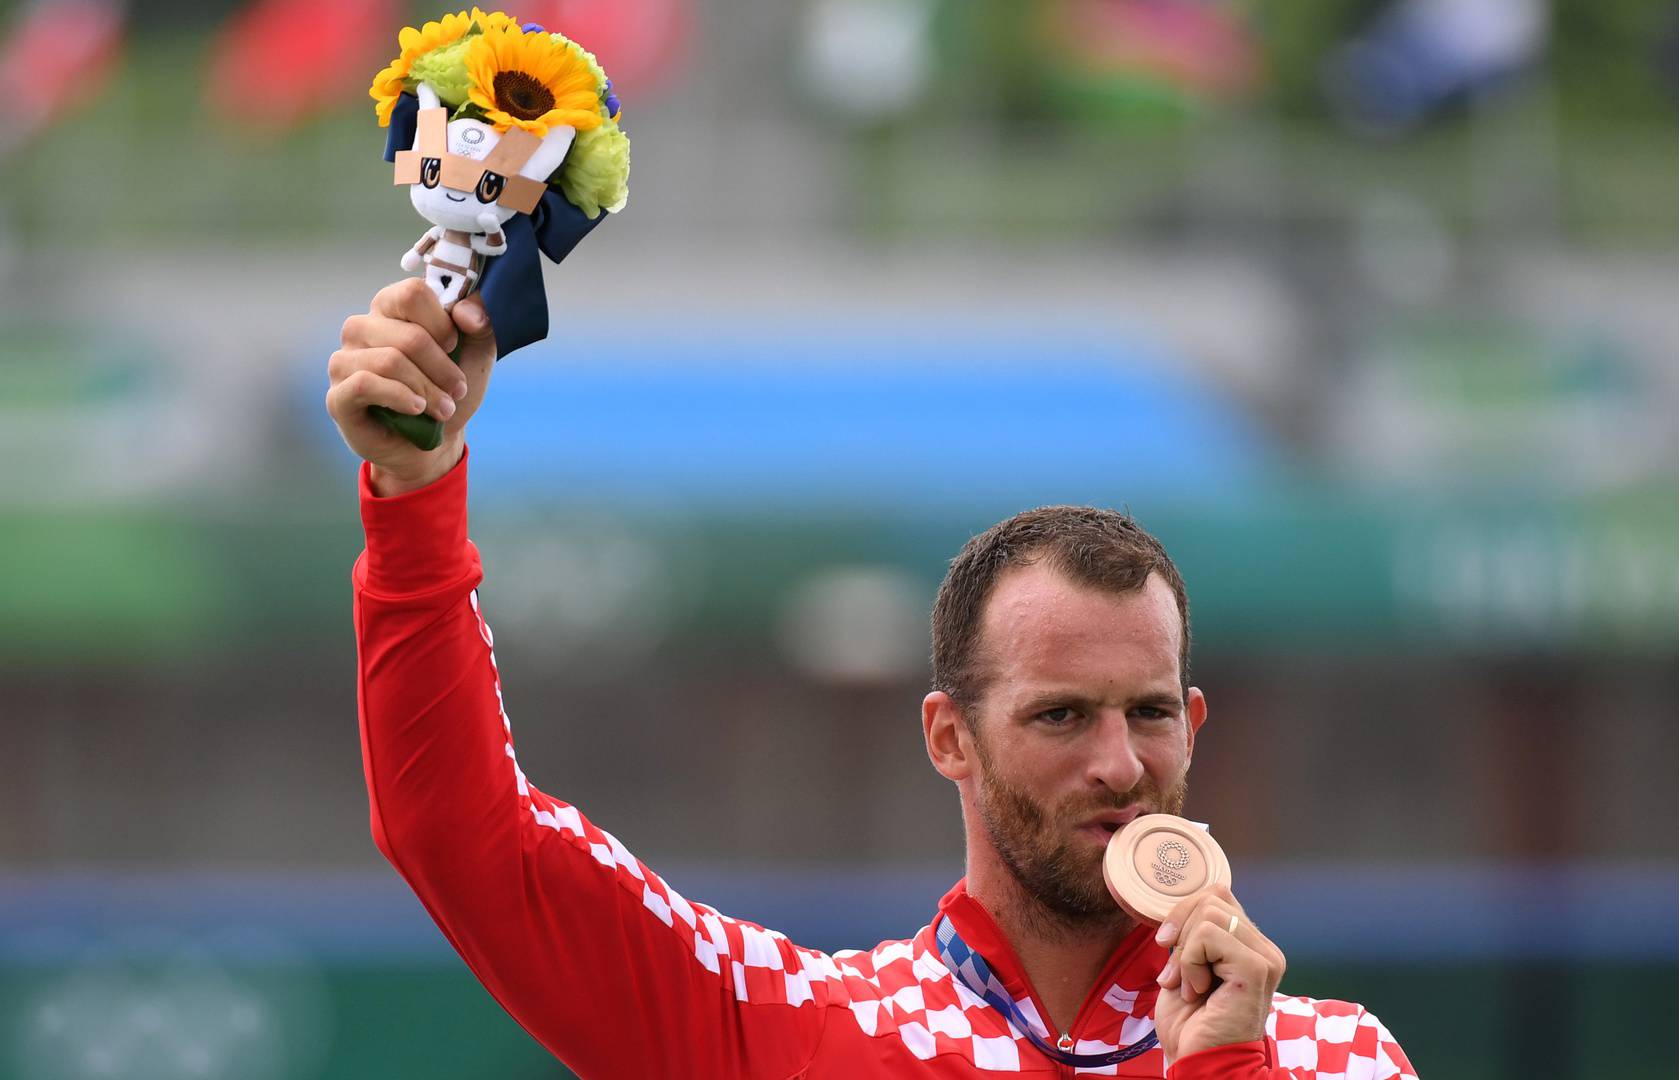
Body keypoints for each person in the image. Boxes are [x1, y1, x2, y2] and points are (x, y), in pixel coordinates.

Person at [327, 279, 1421, 1078]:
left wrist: (1227, 1071)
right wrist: (414, 487)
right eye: (1060, 716)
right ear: (950, 736)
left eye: (1147, 714)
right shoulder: (800, 1026)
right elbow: (462, 837)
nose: (1120, 764)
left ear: (1193, 720)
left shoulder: (1336, 1057)